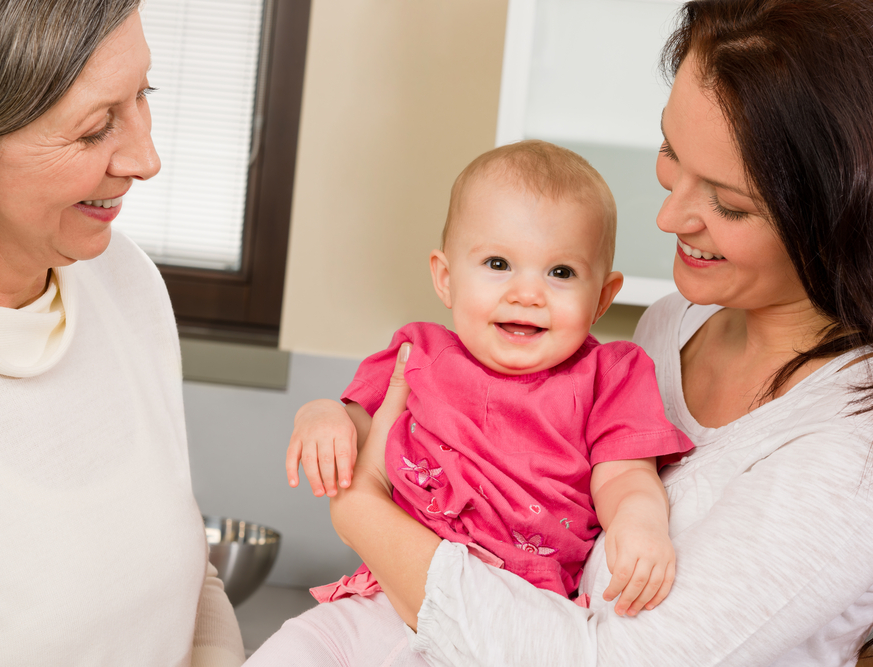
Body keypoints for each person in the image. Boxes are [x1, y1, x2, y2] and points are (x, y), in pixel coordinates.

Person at [278, 0, 873, 665]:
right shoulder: (676, 320)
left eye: (727, 203)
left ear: (846, 218)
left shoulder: (867, 447)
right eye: (671, 150)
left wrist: (361, 511)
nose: (669, 216)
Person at [253, 141, 694, 664]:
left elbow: (624, 475)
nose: (527, 293)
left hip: (503, 619)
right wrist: (320, 414)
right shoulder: (419, 353)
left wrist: (640, 522)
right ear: (446, 277)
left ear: (602, 297)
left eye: (561, 273)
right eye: (498, 263)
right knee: (296, 648)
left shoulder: (611, 375)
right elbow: (356, 421)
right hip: (387, 593)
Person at [0, 1, 245, 665]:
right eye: (96, 128)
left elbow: (186, 568)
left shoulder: (126, 282)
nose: (147, 159)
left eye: (144, 96)